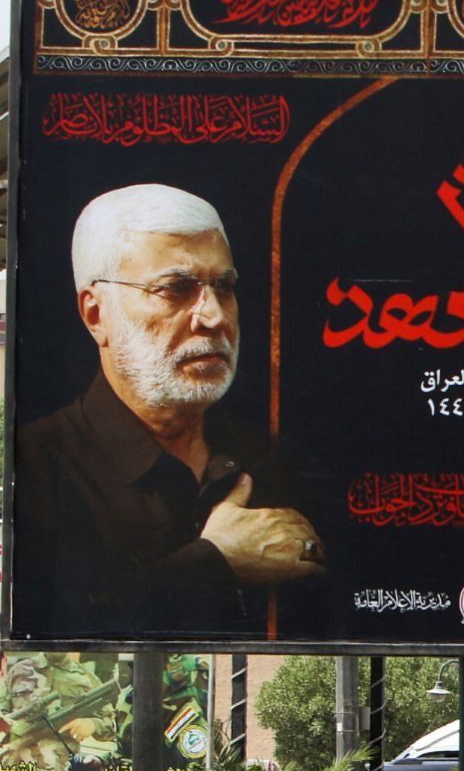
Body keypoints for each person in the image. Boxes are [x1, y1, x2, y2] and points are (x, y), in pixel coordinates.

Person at [14, 184, 325, 639]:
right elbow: (51, 634)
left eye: (224, 287)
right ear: (96, 315)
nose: (214, 317)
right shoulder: (33, 468)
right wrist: (214, 561)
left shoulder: (271, 459)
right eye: (176, 289)